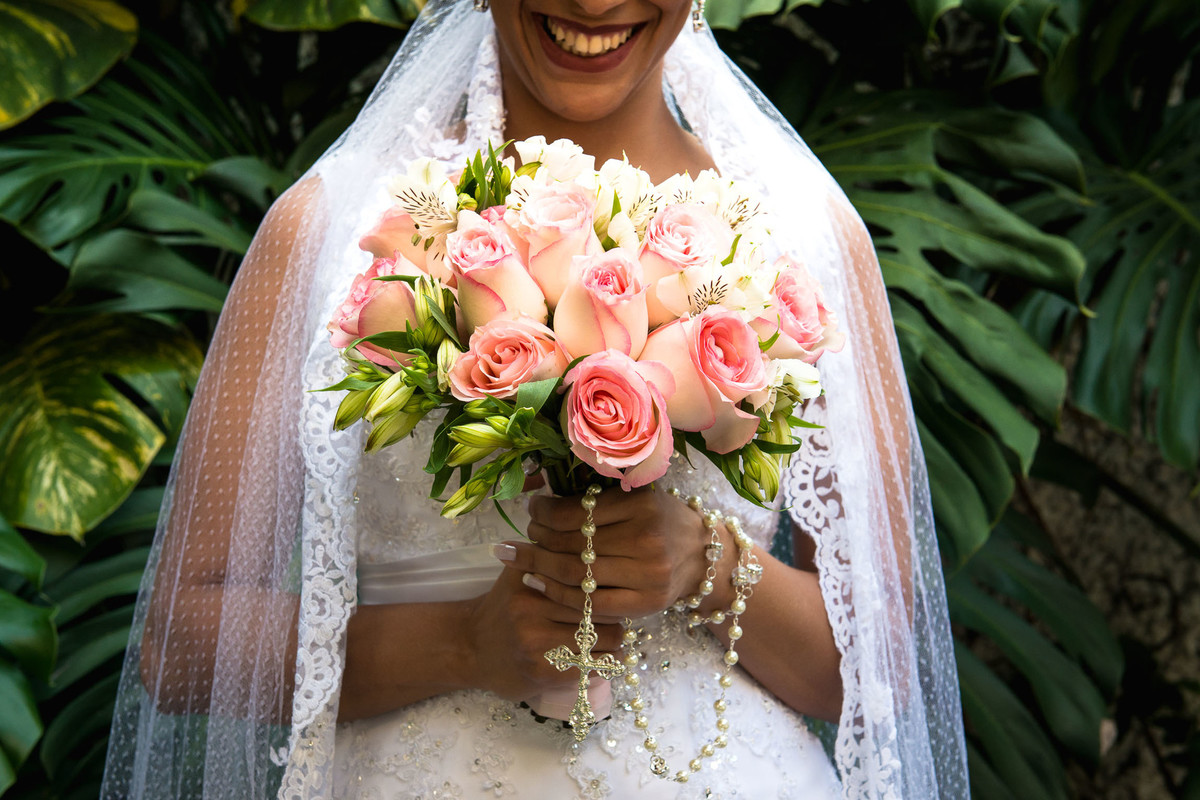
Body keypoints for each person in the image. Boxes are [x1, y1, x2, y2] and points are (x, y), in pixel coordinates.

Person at [101, 2, 970, 798]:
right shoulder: (331, 232)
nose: (594, 5)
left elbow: (883, 671)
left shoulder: (805, 235)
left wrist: (705, 565)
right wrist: (461, 644)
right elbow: (179, 642)